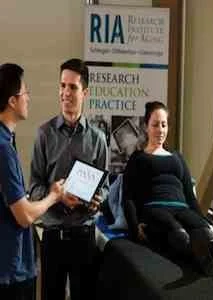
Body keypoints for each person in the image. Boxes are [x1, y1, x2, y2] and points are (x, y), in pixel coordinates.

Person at [122, 101, 213, 276]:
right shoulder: (138, 158)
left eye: (164, 125)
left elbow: (190, 196)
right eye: (155, 125)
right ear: (146, 127)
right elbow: (128, 196)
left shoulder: (177, 157)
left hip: (182, 207)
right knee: (178, 231)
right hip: (155, 208)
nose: (160, 130)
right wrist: (134, 226)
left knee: (202, 230)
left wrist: (205, 222)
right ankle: (204, 258)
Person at [29, 59, 109, 300]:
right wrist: (56, 194)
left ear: (85, 92)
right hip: (52, 236)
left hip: (84, 237)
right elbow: (33, 188)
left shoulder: (98, 139)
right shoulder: (44, 134)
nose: (65, 93)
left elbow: (104, 188)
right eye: (62, 86)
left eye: (72, 87)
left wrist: (97, 200)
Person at [0, 63, 65, 300]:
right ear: (12, 101)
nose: (29, 98)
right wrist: (53, 196)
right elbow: (24, 215)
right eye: (25, 92)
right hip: (10, 270)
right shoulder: (4, 149)